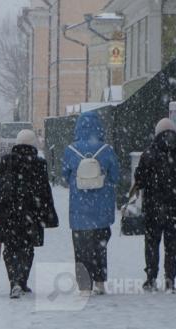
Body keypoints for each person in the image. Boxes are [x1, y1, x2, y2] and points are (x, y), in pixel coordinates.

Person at [0, 129, 59, 299]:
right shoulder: (39, 163)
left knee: (10, 248)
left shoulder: (6, 160)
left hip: (8, 214)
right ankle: (22, 281)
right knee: (27, 248)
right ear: (33, 143)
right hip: (30, 214)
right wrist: (48, 215)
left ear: (17, 143)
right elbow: (44, 191)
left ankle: (14, 282)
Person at [133, 119, 176, 293]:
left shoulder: (148, 154)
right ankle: (170, 280)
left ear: (157, 133)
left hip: (153, 208)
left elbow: (139, 179)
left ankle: (151, 278)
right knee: (172, 246)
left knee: (151, 244)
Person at [61, 111, 120, 296]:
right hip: (101, 209)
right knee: (99, 247)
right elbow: (116, 177)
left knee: (81, 249)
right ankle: (100, 282)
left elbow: (64, 176)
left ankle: (84, 285)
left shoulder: (71, 150)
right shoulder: (107, 150)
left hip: (79, 210)